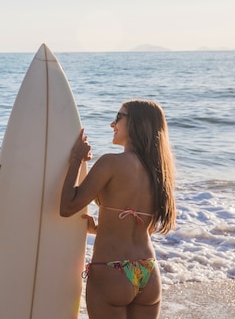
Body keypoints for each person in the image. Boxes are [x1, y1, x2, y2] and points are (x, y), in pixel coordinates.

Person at [60, 99, 176, 319]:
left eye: (118, 118)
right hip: (148, 272)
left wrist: (75, 158)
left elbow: (67, 206)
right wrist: (98, 229)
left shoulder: (111, 163)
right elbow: (138, 226)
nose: (112, 125)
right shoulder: (159, 173)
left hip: (111, 271)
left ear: (136, 123)